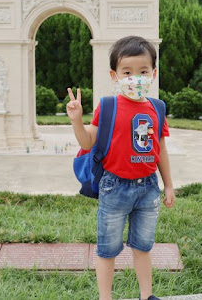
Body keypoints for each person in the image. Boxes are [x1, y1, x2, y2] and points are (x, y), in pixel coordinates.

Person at [67, 35, 175, 300]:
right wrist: (77, 121)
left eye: (142, 71)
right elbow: (87, 141)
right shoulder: (108, 106)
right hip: (114, 187)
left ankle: (146, 295)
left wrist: (168, 184)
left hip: (148, 188)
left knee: (143, 246)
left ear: (153, 73)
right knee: (107, 249)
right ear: (114, 75)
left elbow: (159, 150)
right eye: (127, 72)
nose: (135, 78)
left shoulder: (157, 108)